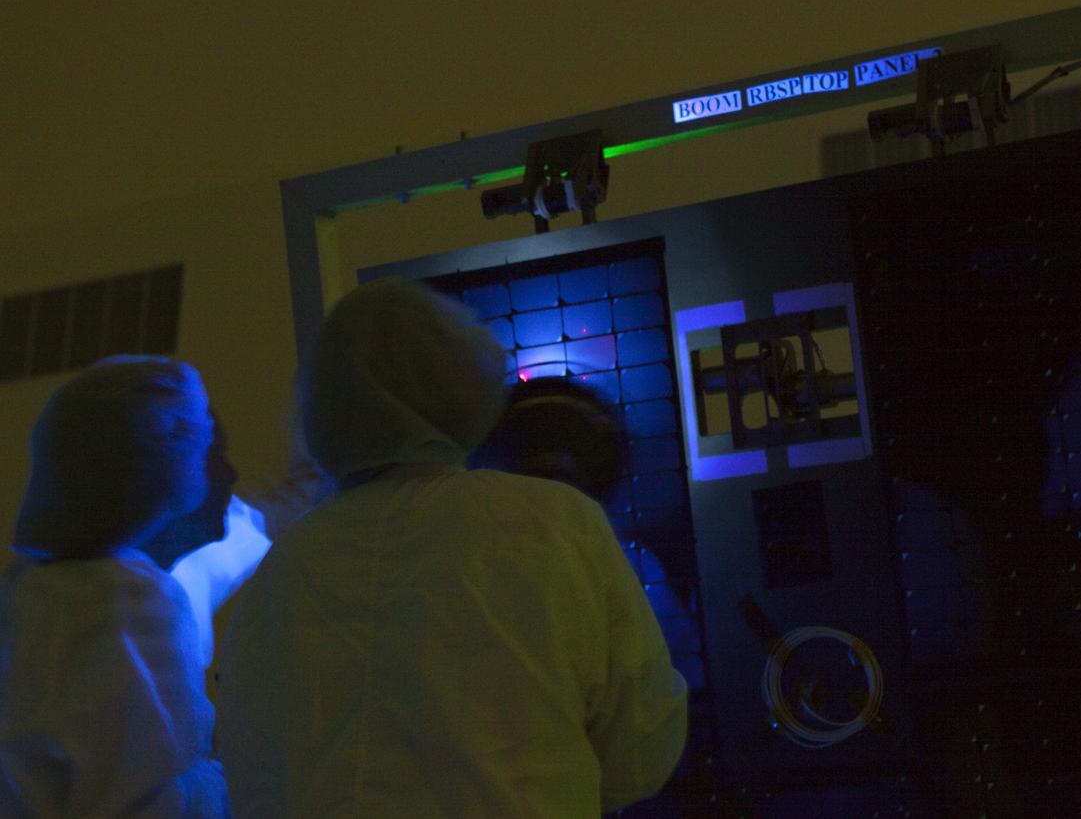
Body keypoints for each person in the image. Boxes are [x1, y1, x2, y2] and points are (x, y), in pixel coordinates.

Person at [219, 278, 688, 818]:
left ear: (321, 407)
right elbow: (641, 751)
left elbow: (250, 769)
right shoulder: (551, 523)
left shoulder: (283, 568)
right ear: (469, 386)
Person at [0, 356, 234, 818]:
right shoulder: (126, 599)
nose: (226, 472)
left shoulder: (28, 593)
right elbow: (146, 796)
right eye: (207, 448)